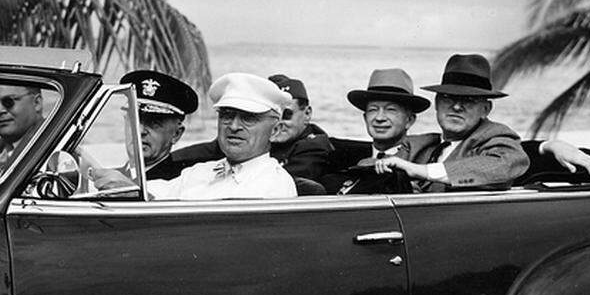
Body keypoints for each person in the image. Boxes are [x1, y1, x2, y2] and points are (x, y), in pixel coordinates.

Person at [376, 53, 590, 190]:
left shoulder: (498, 138)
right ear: (436, 103)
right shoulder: (420, 143)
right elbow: (381, 165)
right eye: (449, 98)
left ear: (486, 109)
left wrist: (421, 171)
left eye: (468, 100)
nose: (456, 106)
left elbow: (504, 165)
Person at [146, 73, 296, 200]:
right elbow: (149, 192)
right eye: (227, 116)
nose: (234, 126)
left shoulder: (274, 185)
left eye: (249, 118)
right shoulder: (199, 172)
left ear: (275, 130)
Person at [322, 67, 430, 194]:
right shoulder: (342, 158)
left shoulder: (422, 161)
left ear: (409, 120)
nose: (379, 118)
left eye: (391, 110)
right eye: (373, 109)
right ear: (365, 118)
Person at [120, 69, 199, 180]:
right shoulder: (108, 179)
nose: (141, 130)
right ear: (125, 121)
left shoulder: (181, 183)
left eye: (154, 123)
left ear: (176, 134)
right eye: (134, 119)